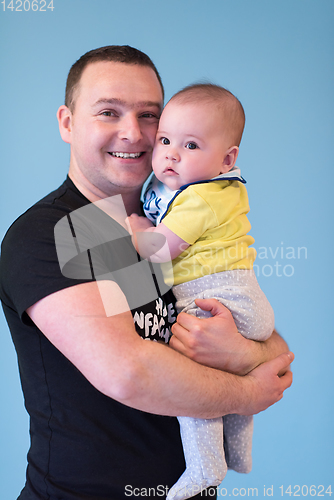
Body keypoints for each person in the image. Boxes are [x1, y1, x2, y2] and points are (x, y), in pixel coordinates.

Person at [0, 45, 293, 500]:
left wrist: (238, 351)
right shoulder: (54, 231)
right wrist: (247, 391)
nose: (132, 133)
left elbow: (273, 350)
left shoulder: (163, 224)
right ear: (67, 122)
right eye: (108, 112)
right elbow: (130, 372)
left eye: (149, 115)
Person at [126, 83, 275, 499]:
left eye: (190, 145)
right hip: (246, 301)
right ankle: (238, 453)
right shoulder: (213, 187)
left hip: (215, 296)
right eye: (166, 141)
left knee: (193, 380)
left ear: (227, 159)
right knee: (229, 371)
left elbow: (159, 252)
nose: (171, 153)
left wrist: (136, 230)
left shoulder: (201, 198)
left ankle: (207, 465)